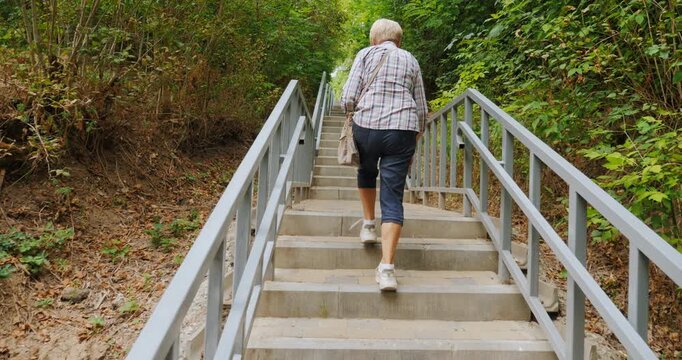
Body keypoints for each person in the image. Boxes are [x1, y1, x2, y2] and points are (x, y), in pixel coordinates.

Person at [340, 18, 428, 291]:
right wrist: (414, 136)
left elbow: (348, 97)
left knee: (366, 170)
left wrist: (354, 112)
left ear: (373, 38)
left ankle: (368, 225)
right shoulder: (410, 59)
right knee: (393, 197)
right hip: (402, 130)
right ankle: (387, 269)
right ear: (398, 40)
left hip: (367, 127)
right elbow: (422, 107)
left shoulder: (365, 54)